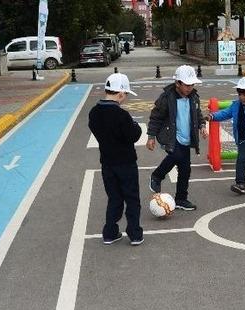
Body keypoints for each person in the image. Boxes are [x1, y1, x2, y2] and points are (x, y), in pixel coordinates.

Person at [87, 73, 144, 246]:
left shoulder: (94, 113)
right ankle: (134, 234)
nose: (125, 98)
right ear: (120, 94)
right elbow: (134, 135)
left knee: (114, 198)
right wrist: (133, 125)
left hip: (107, 163)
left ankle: (110, 232)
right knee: (132, 198)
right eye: (125, 94)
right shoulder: (121, 115)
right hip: (126, 163)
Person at [146, 65, 207, 211]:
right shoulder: (167, 97)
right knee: (176, 156)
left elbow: (197, 114)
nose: (189, 88)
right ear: (177, 83)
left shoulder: (194, 97)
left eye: (192, 84)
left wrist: (202, 126)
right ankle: (157, 175)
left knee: (185, 169)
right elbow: (156, 117)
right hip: (171, 136)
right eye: (186, 85)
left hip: (186, 138)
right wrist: (151, 136)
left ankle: (181, 199)